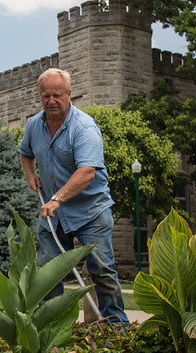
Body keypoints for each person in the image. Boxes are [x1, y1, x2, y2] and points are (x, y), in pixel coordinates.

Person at [19, 68, 129, 328]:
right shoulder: (35, 124)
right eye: (46, 96)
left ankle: (117, 328)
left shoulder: (84, 127)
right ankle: (49, 330)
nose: (51, 101)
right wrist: (30, 174)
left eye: (57, 95)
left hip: (91, 212)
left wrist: (58, 198)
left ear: (69, 95)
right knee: (49, 274)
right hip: (52, 215)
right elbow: (25, 152)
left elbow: (87, 172)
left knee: (101, 270)